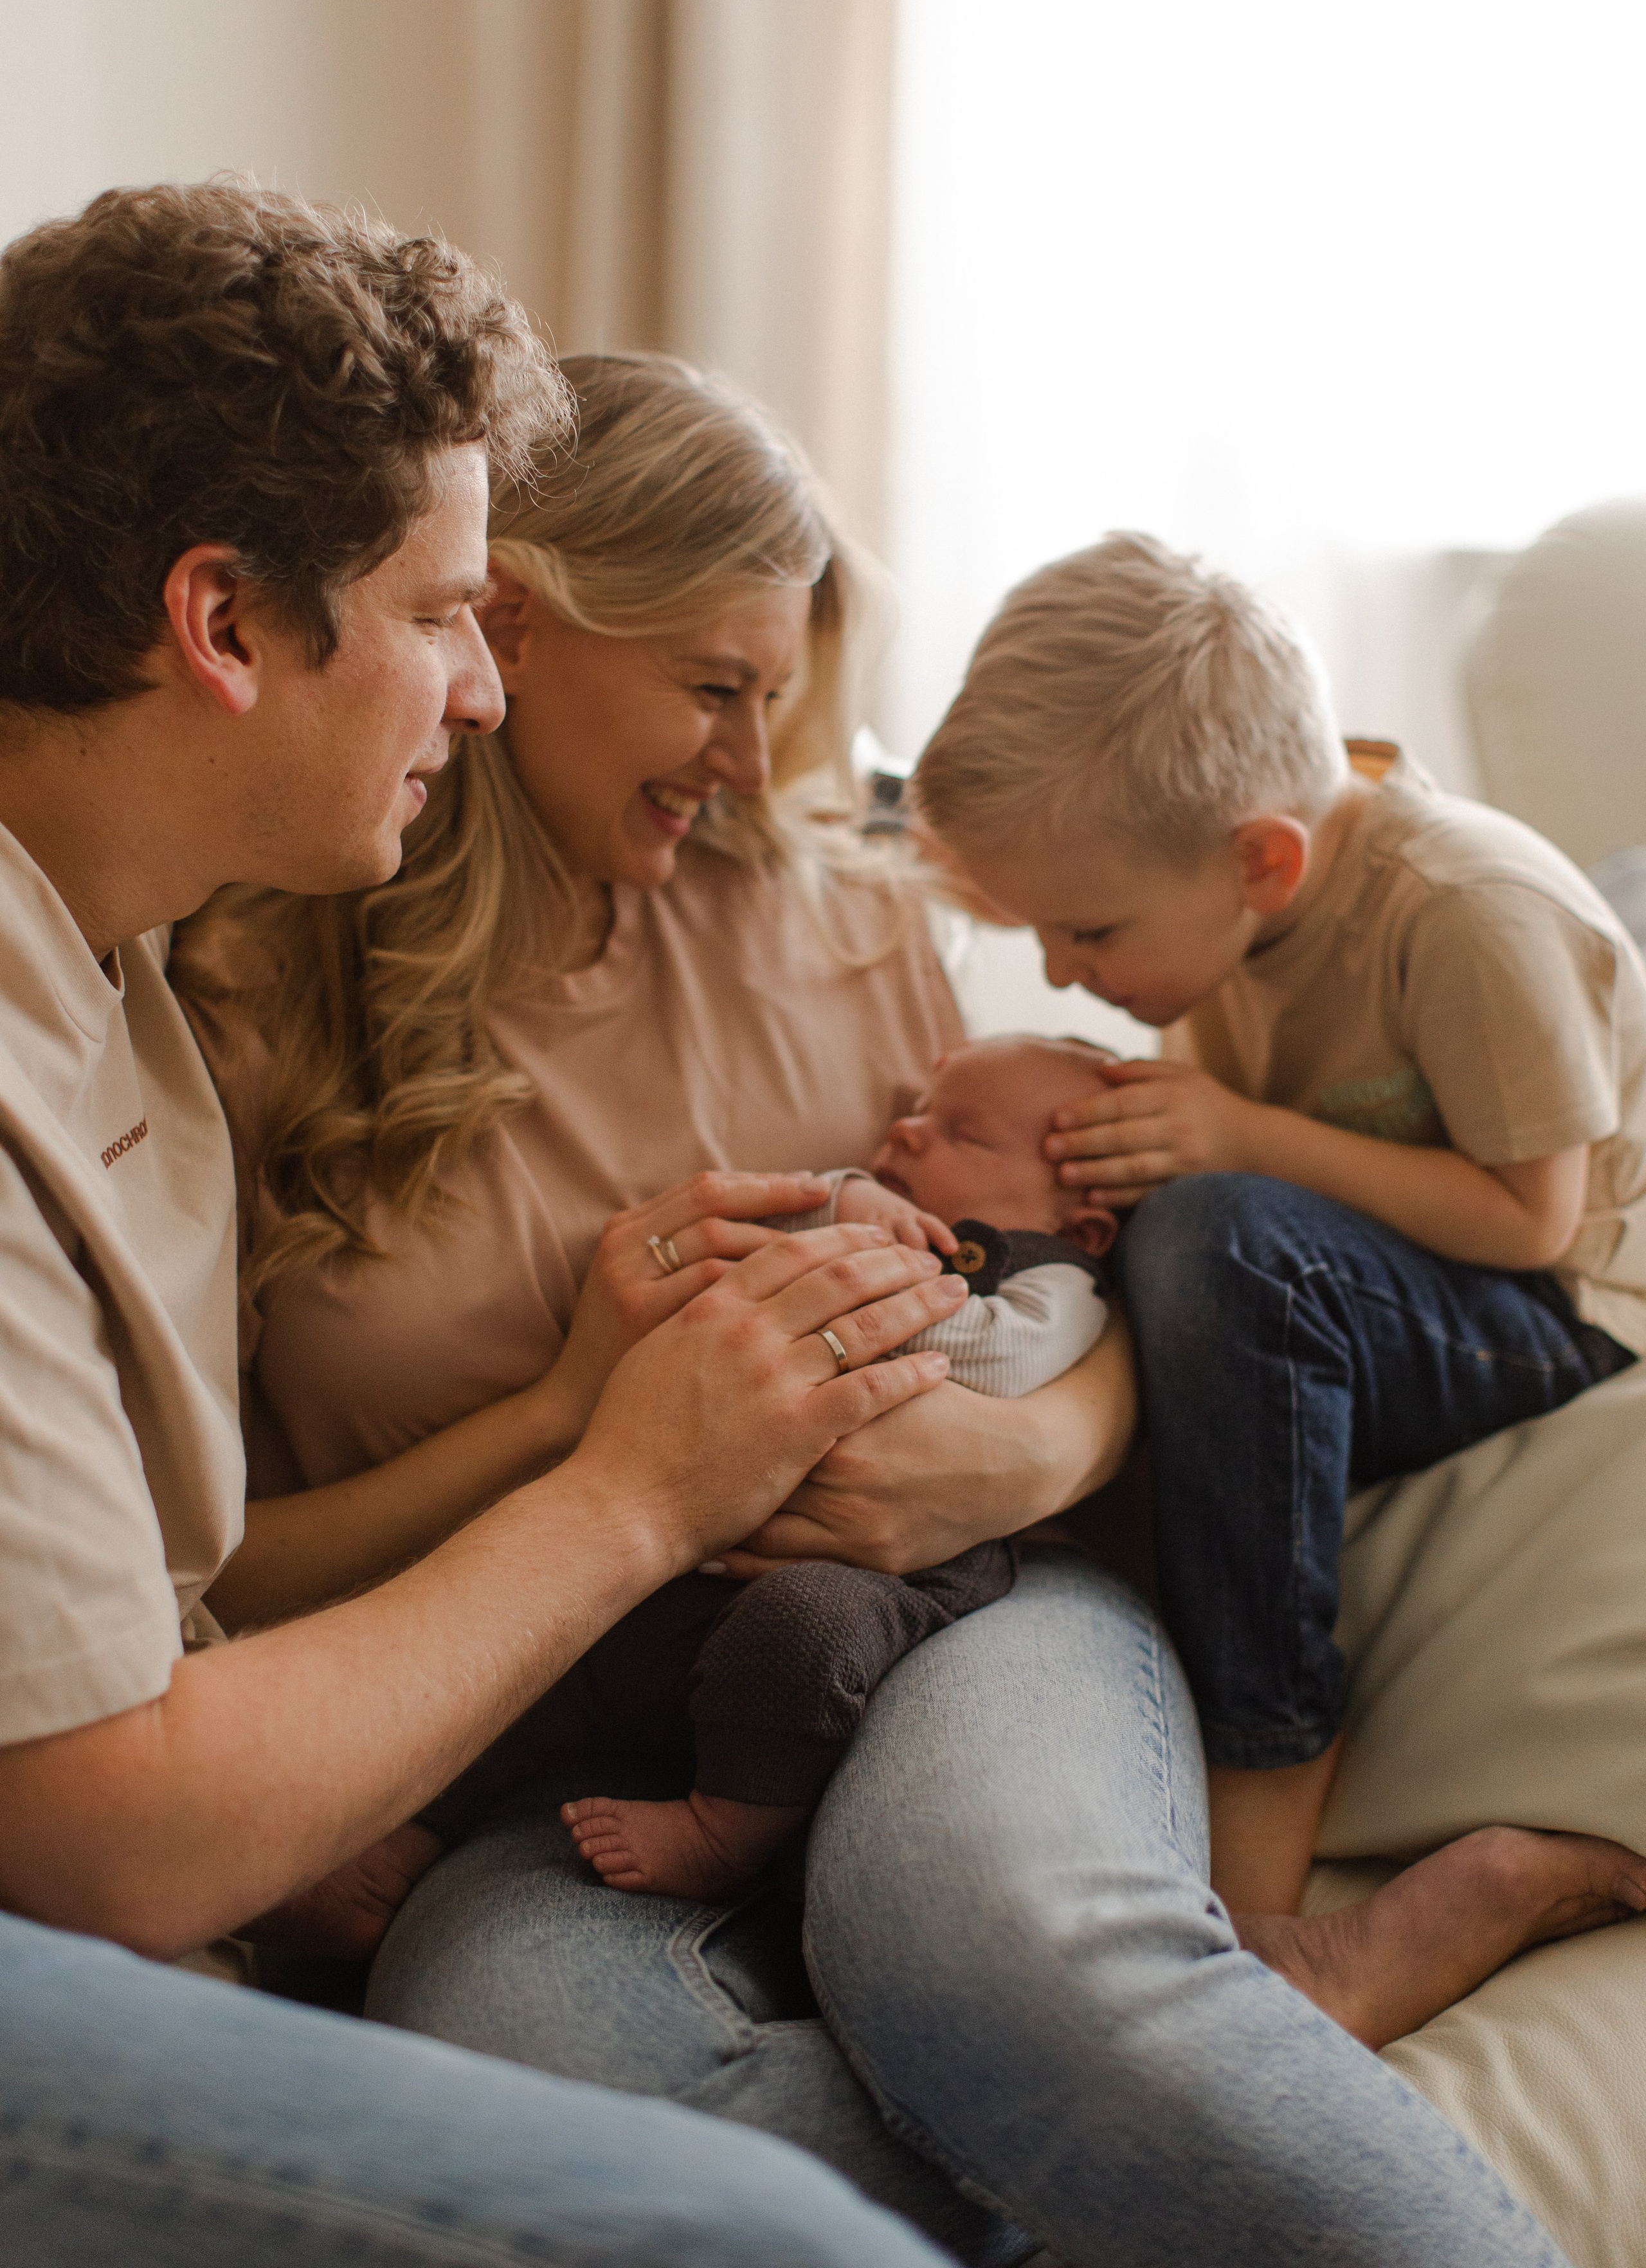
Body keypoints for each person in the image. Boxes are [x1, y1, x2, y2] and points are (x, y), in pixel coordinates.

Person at [181, 354, 1579, 2268]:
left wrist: (1014, 1453)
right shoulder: (253, 991)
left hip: (977, 1606)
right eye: (719, 689)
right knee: (532, 2062)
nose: (760, 760)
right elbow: (229, 1578)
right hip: (564, 1730)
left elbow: (1114, 1279)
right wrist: (576, 1427)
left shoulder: (842, 916)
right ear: (515, 627)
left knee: (992, 1937)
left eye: (784, 694)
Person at [0, 180, 964, 2268]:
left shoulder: (114, 966)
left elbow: (172, 1615)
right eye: (445, 617)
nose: (487, 692)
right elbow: (119, 1831)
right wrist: (627, 1483)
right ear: (225, 624)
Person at [914, 528, 1646, 2041]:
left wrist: (1241, 1138)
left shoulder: (1463, 908)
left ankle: (1263, 1838)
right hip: (1384, 1286)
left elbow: (1529, 1221)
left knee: (1213, 1236)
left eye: (1088, 930)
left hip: (1563, 1309)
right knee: (1151, 1229)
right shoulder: (1230, 911)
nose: (1058, 970)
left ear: (1261, 859)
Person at [560, 1032, 1119, 1900]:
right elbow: (753, 1236)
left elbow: (1002, 1361)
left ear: (1075, 1223)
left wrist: (864, 1277)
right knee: (568, 1622)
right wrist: (841, 1200)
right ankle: (425, 1820)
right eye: (919, 1115)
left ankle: (725, 1831)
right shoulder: (867, 1215)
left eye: (962, 1135)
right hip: (712, 1540)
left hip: (906, 1572)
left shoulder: (1059, 1282)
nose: (907, 1133)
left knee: (803, 1630)